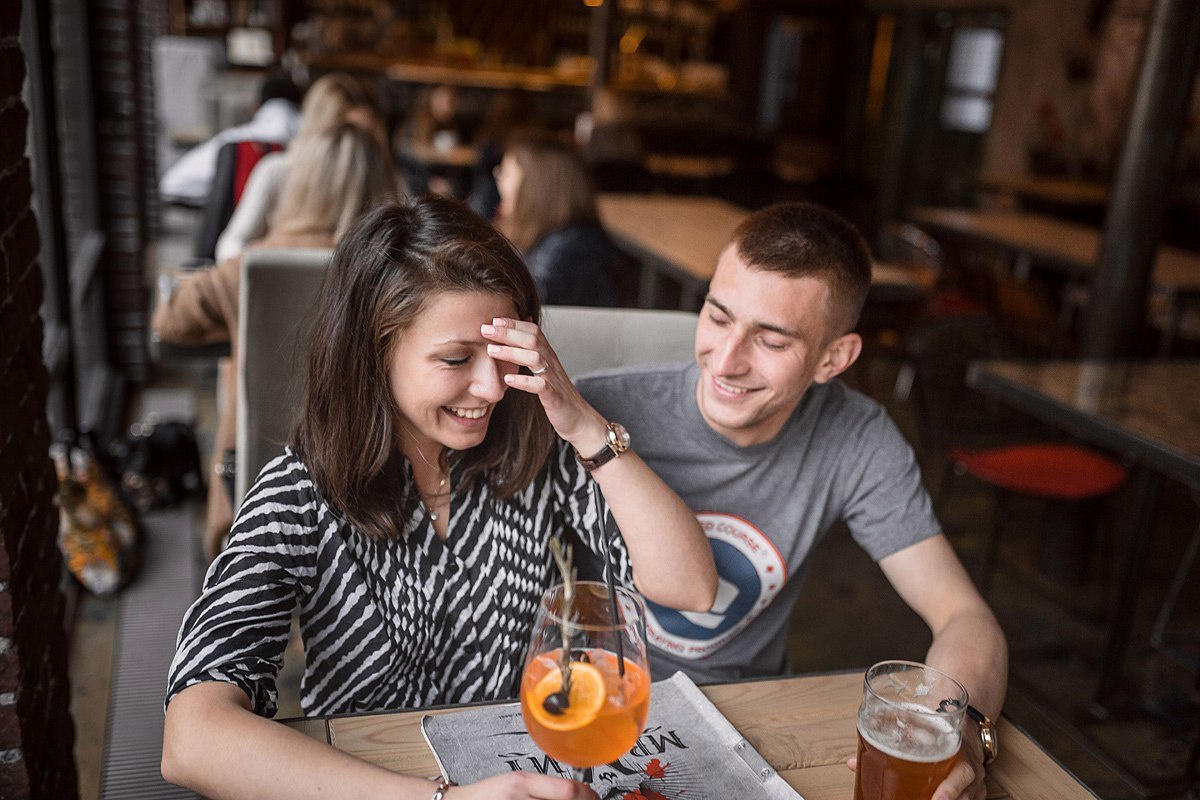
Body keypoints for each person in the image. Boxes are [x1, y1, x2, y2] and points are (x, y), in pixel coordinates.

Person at [161, 195, 717, 799]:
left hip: (526, 775)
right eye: (455, 359)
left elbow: (689, 587)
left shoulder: (539, 456)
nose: (491, 388)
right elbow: (191, 740)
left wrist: (585, 426)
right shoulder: (300, 494)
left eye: (501, 355)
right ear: (374, 353)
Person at [577, 202, 1008, 800]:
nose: (726, 362)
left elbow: (964, 616)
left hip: (748, 718)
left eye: (771, 340)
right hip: (592, 707)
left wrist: (955, 732)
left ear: (834, 359)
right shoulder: (597, 412)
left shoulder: (858, 438)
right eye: (718, 316)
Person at [152, 123, 397, 562]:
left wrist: (235, 316)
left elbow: (169, 322)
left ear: (300, 186)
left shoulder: (250, 266)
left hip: (255, 482)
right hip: (369, 479)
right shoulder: (395, 272)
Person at [214, 72, 388, 262]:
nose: (355, 145)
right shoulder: (278, 171)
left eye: (368, 136)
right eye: (345, 133)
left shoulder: (382, 177)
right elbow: (230, 245)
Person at [494, 132, 617, 307]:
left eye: (505, 174)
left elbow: (522, 303)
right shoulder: (538, 235)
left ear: (536, 187)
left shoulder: (574, 246)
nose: (499, 182)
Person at [159, 72, 303, 205]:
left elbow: (173, 185)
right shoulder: (316, 136)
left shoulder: (234, 140)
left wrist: (228, 198)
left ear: (256, 107)